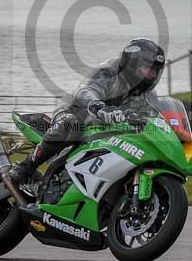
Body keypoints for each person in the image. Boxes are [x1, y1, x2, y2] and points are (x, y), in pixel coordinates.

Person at [9, 38, 166, 185]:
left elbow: (153, 116)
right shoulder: (109, 72)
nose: (152, 75)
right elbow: (86, 90)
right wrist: (98, 106)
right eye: (148, 69)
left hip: (108, 129)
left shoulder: (148, 95)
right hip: (76, 112)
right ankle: (26, 166)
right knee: (70, 125)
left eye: (155, 71)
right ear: (132, 64)